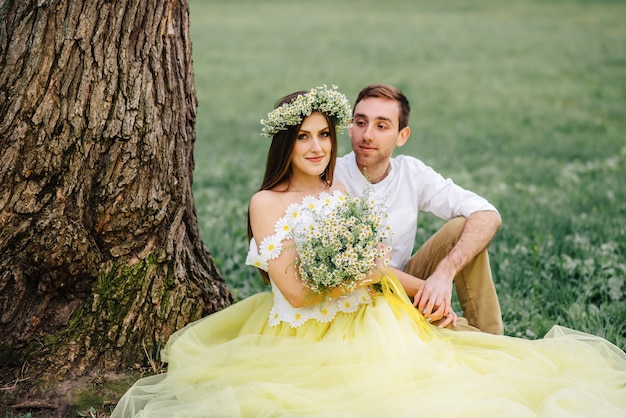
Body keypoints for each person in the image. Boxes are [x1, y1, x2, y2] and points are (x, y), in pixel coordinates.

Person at [111, 85, 626, 417]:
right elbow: (295, 289)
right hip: (311, 324)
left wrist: (427, 289)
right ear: (286, 144)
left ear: (400, 134)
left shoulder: (340, 191)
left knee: (458, 355)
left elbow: (380, 265)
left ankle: (487, 339)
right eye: (306, 138)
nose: (319, 147)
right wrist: (362, 274)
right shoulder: (266, 202)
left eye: (324, 137)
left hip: (371, 302)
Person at [335, 84, 503, 334]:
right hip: (352, 299)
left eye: (381, 126)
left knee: (463, 226)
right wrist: (429, 291)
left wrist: (443, 276)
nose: (367, 134)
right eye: (361, 122)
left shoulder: (411, 172)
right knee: (452, 342)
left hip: (403, 286)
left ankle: (491, 335)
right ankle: (475, 338)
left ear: (402, 136)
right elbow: (359, 270)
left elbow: (487, 215)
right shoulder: (332, 175)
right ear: (350, 126)